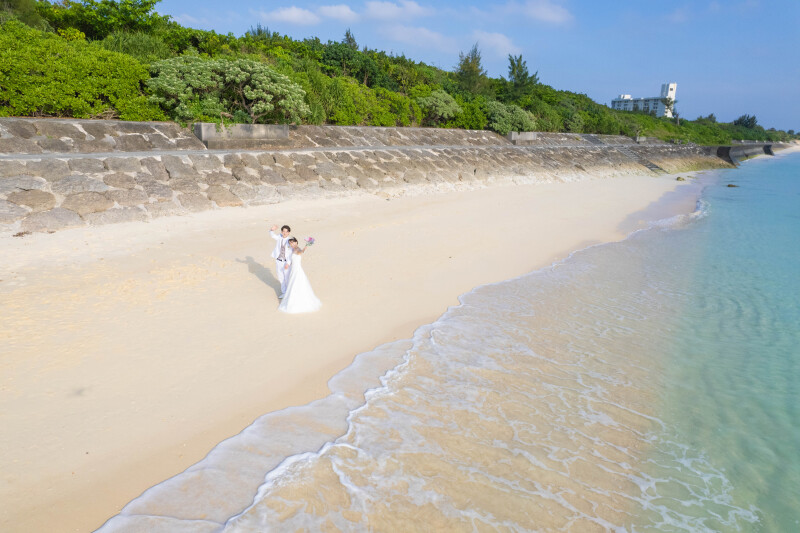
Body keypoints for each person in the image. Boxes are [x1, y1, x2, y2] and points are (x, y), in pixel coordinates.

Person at [278, 237, 321, 314]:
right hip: (293, 270)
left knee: (296, 283)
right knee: (293, 283)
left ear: (296, 242)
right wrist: (288, 264)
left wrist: (306, 246)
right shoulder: (293, 250)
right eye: (290, 243)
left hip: (297, 270)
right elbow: (292, 259)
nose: (292, 244)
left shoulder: (297, 249)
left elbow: (301, 252)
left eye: (293, 242)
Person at [270, 224, 292, 298]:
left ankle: (289, 293)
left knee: (287, 277)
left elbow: (290, 253)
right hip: (278, 260)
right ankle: (284, 292)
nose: (285, 233)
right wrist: (272, 230)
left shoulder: (290, 241)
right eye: (283, 231)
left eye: (286, 231)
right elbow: (272, 235)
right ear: (281, 232)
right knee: (280, 277)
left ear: (289, 232)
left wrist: (288, 263)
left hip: (286, 262)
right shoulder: (279, 237)